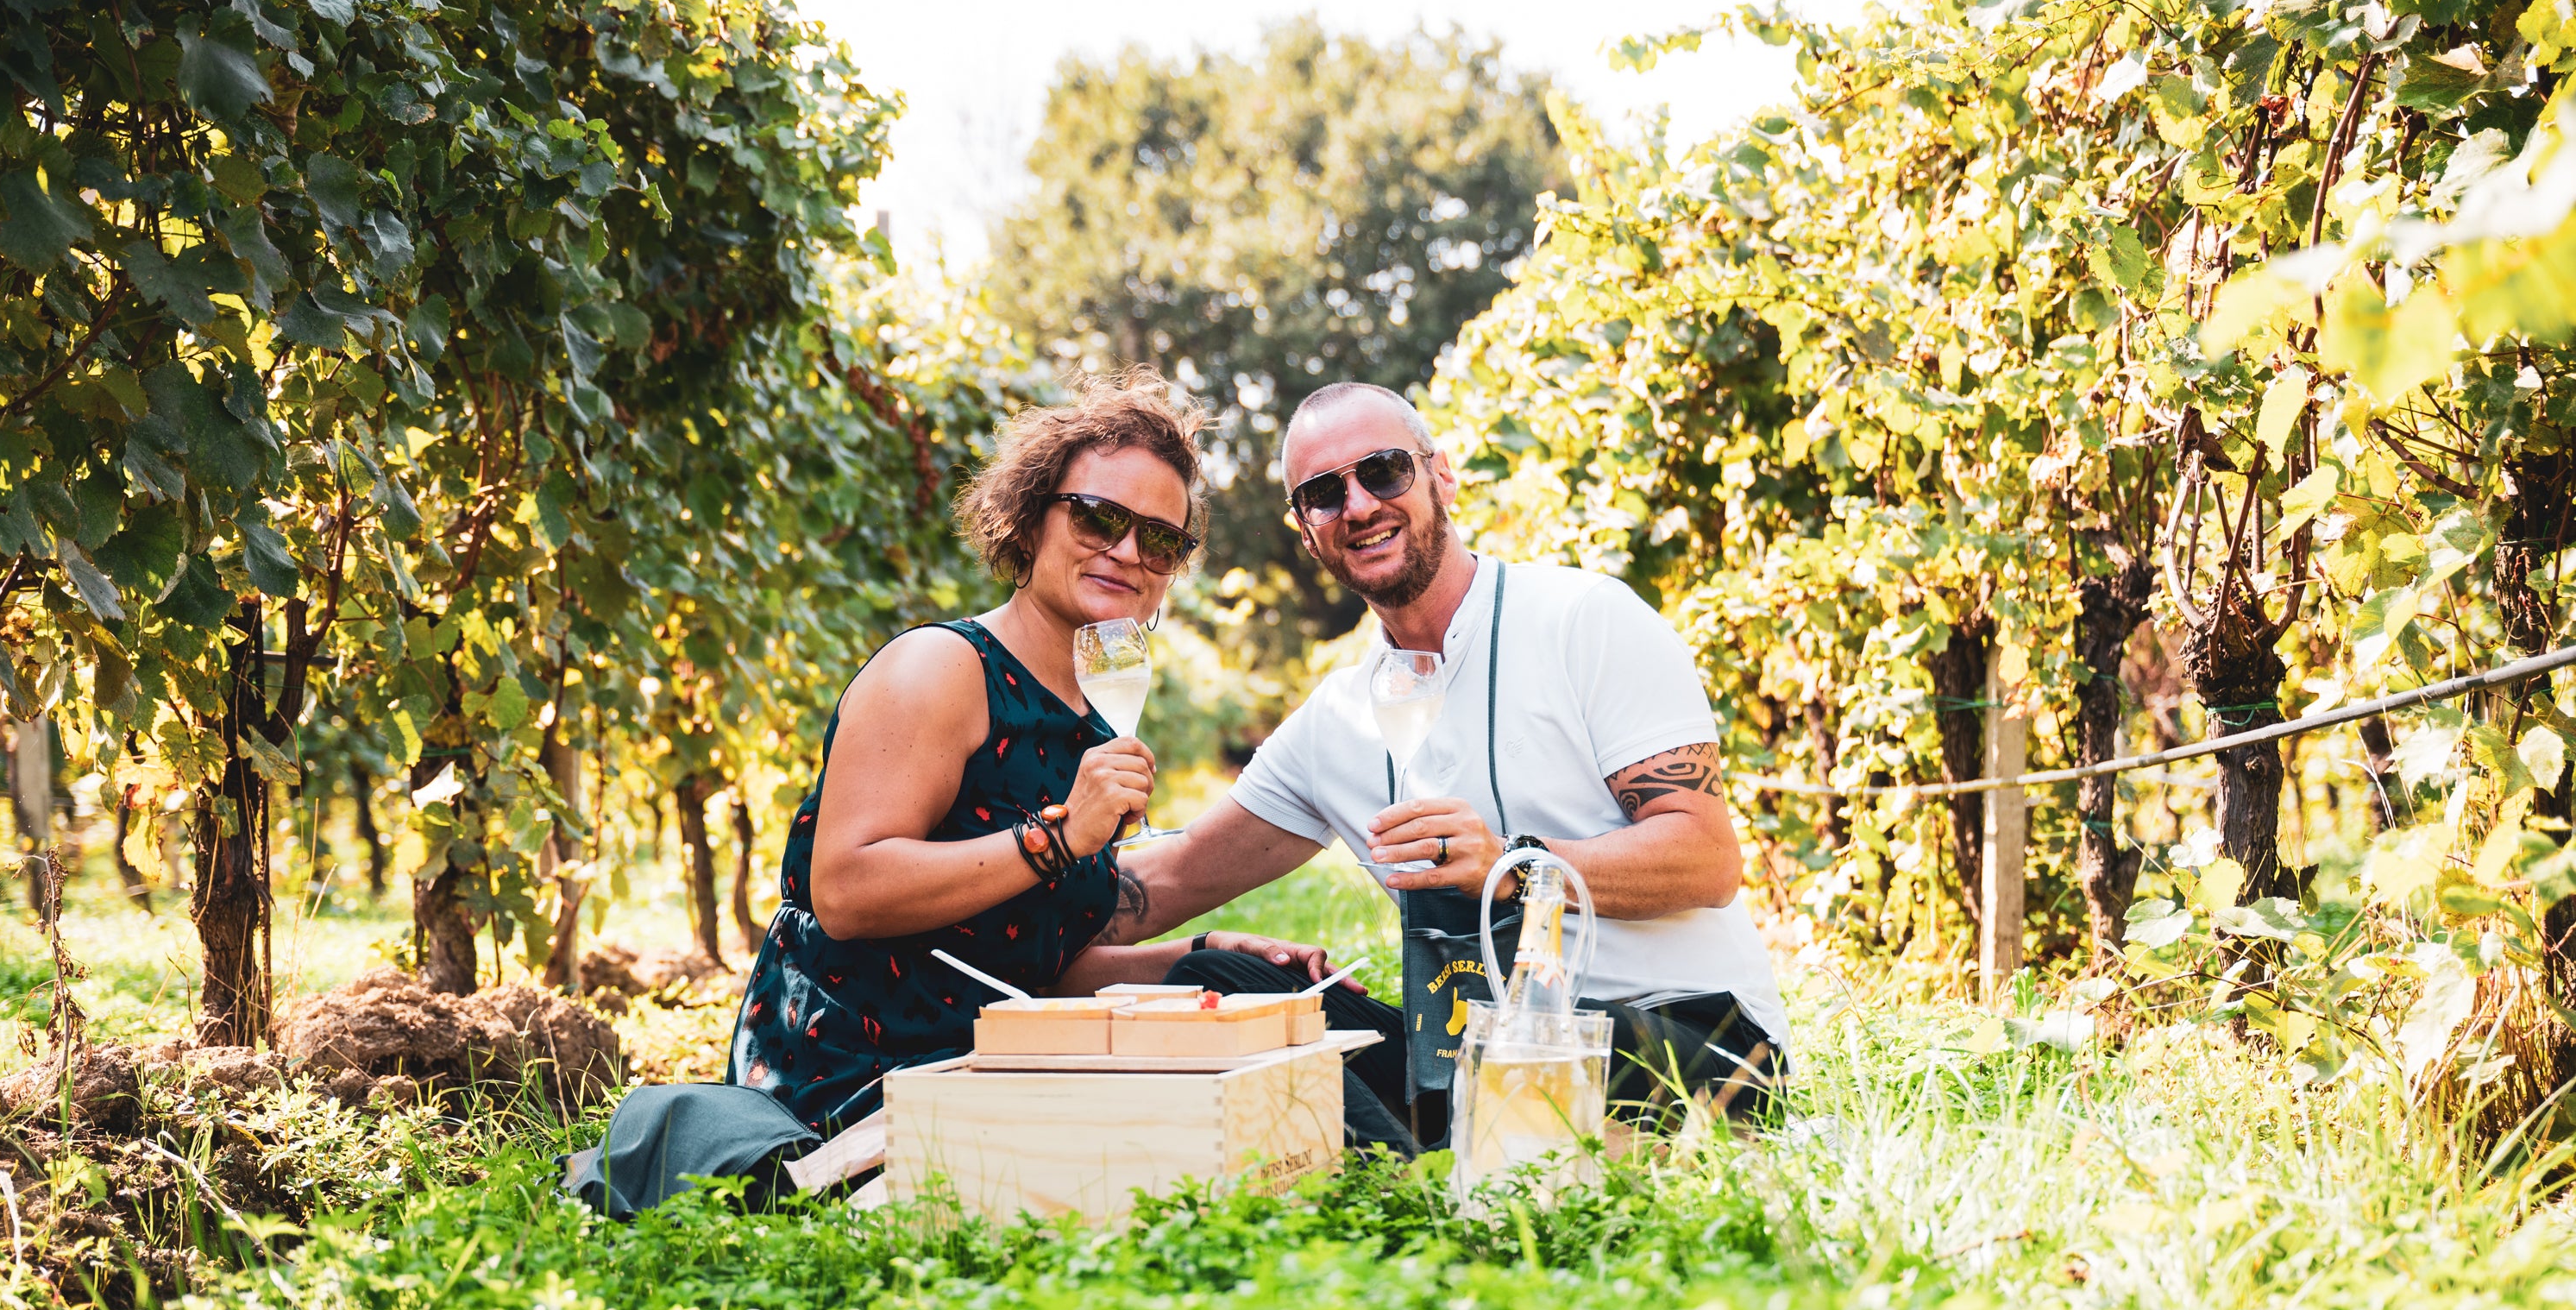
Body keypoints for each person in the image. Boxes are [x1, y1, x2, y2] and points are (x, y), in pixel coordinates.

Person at [568, 370, 1341, 1215]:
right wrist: (1053, 839)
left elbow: (1021, 958)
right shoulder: (940, 670)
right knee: (1181, 1143)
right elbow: (846, 891)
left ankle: (1445, 1142)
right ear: (1033, 513)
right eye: (1098, 517)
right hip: (862, 1072)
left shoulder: (1093, 718)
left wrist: (1197, 957)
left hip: (990, 1049)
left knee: (1270, 1008)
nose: (1127, 552)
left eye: (1161, 539)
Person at [1112, 381, 1789, 1151]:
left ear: (1442, 477)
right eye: (1324, 494)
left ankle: (1418, 1168)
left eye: (1384, 471)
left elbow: (1706, 859)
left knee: (1497, 1063)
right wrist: (1013, 879)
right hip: (1475, 1047)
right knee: (1230, 988)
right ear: (1307, 531)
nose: (1360, 505)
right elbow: (1165, 883)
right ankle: (1435, 1163)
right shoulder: (1335, 721)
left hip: (1689, 1036)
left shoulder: (1585, 619)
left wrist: (1511, 864)